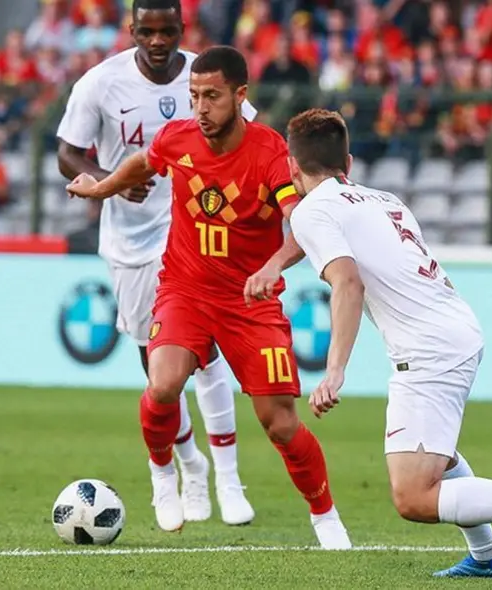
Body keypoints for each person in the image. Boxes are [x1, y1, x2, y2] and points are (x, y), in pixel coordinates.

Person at [284, 108, 492, 578]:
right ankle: (489, 557)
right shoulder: (382, 199)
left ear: (292, 168)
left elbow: (348, 284)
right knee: (437, 452)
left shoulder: (312, 211)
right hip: (453, 327)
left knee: (412, 496)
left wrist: (334, 371)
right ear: (347, 161)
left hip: (429, 348)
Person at [65, 46, 352, 550]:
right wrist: (102, 189)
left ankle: (325, 515)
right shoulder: (178, 138)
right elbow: (143, 163)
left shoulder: (268, 154)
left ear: (241, 97)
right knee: (163, 384)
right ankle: (163, 476)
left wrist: (272, 265)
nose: (200, 107)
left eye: (212, 96)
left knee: (280, 423)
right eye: (194, 95)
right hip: (185, 289)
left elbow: (301, 225)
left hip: (250, 300)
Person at [56, 0, 253, 526]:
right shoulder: (100, 84)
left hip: (196, 231)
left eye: (168, 31)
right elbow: (66, 152)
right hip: (131, 245)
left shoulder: (206, 77)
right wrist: (109, 177)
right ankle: (189, 464)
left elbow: (249, 135)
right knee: (159, 369)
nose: (159, 41)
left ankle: (230, 479)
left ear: (182, 30)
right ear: (132, 30)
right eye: (148, 31)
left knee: (206, 353)